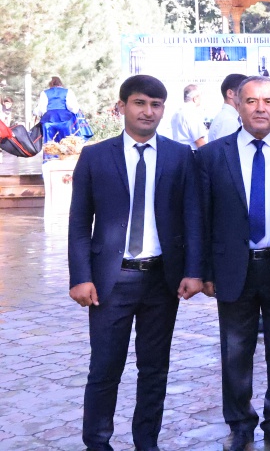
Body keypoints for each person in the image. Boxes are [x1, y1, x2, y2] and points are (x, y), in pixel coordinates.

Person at [67, 75, 203, 451]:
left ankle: (147, 442)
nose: (148, 111)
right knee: (105, 370)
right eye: (140, 103)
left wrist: (193, 271)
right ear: (122, 106)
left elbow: (192, 218)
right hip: (112, 281)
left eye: (156, 104)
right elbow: (79, 222)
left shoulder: (180, 156)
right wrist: (80, 277)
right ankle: (97, 443)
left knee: (155, 369)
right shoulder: (96, 156)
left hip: (163, 280)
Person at [198, 77, 270, 451]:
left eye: (268, 101)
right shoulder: (212, 156)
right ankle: (241, 422)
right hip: (234, 269)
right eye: (251, 101)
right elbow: (202, 218)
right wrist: (204, 272)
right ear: (238, 105)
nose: (260, 108)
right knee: (235, 351)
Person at [34, 75, 82, 143]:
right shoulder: (68, 91)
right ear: (60, 83)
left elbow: (41, 108)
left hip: (49, 119)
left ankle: (50, 153)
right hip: (65, 119)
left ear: (50, 84)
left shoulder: (44, 92)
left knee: (50, 143)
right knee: (67, 142)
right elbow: (72, 107)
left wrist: (35, 112)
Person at [207, 73, 248, 142]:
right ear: (230, 93)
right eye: (244, 92)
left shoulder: (229, 118)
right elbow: (227, 151)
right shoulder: (229, 121)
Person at [171, 83, 207, 149]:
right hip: (191, 155)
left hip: (178, 153)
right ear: (195, 98)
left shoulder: (176, 113)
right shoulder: (192, 113)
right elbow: (199, 141)